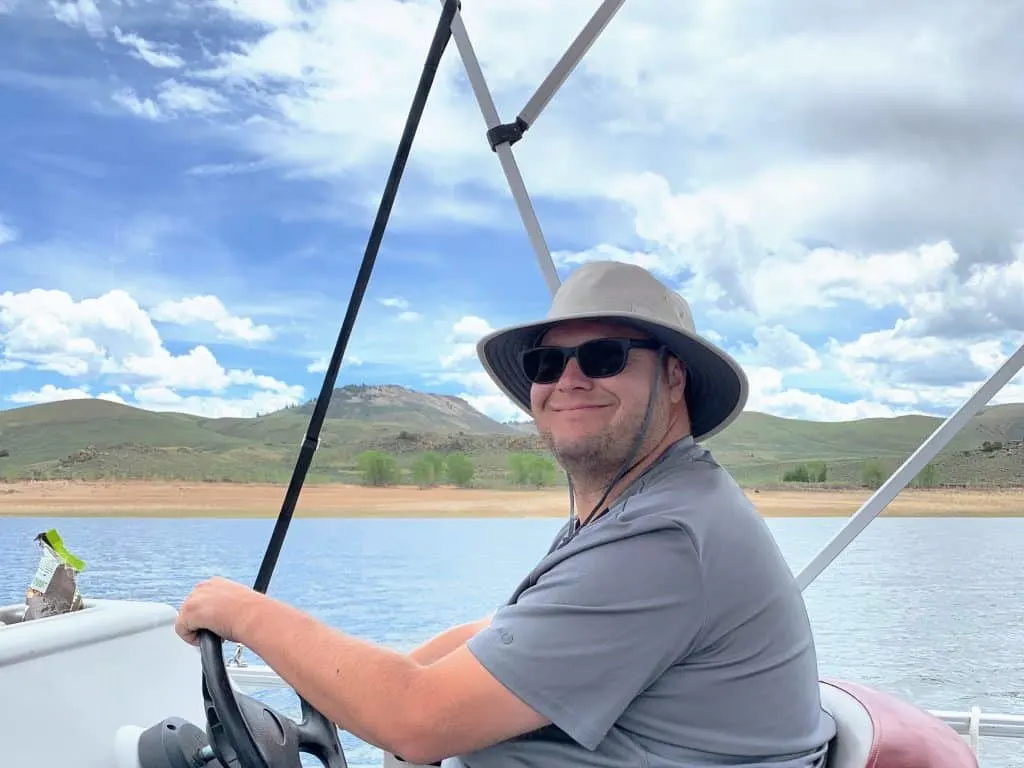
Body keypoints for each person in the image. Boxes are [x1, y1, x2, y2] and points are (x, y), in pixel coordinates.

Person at [176, 260, 837, 767]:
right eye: (547, 362)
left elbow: (417, 718)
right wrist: (352, 686)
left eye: (604, 356)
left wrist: (243, 613)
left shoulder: (665, 539)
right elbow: (511, 631)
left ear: (672, 378)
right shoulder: (639, 505)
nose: (568, 380)